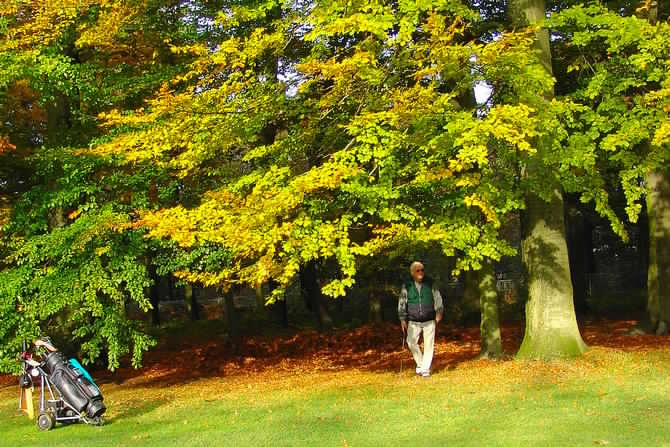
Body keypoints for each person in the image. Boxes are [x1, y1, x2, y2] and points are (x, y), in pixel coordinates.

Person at [398, 261, 443, 377]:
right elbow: (402, 302)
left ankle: (425, 369)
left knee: (429, 345)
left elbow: (437, 298)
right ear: (412, 272)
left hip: (429, 319)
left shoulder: (430, 283)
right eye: (417, 270)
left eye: (422, 270)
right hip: (413, 320)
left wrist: (439, 312)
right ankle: (421, 363)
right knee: (410, 342)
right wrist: (402, 318)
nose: (421, 272)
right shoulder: (407, 285)